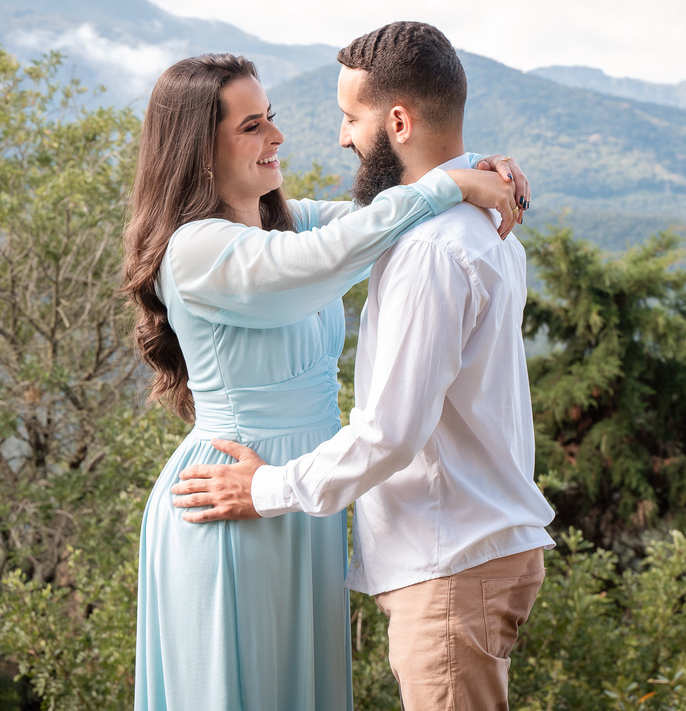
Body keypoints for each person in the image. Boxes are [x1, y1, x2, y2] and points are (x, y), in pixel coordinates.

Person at [123, 51, 528, 711]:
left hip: (298, 498)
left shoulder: (283, 221)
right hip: (229, 495)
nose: (277, 136)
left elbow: (381, 220)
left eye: (270, 117)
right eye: (252, 126)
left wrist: (472, 169)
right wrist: (450, 187)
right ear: (198, 151)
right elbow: (333, 255)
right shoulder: (195, 248)